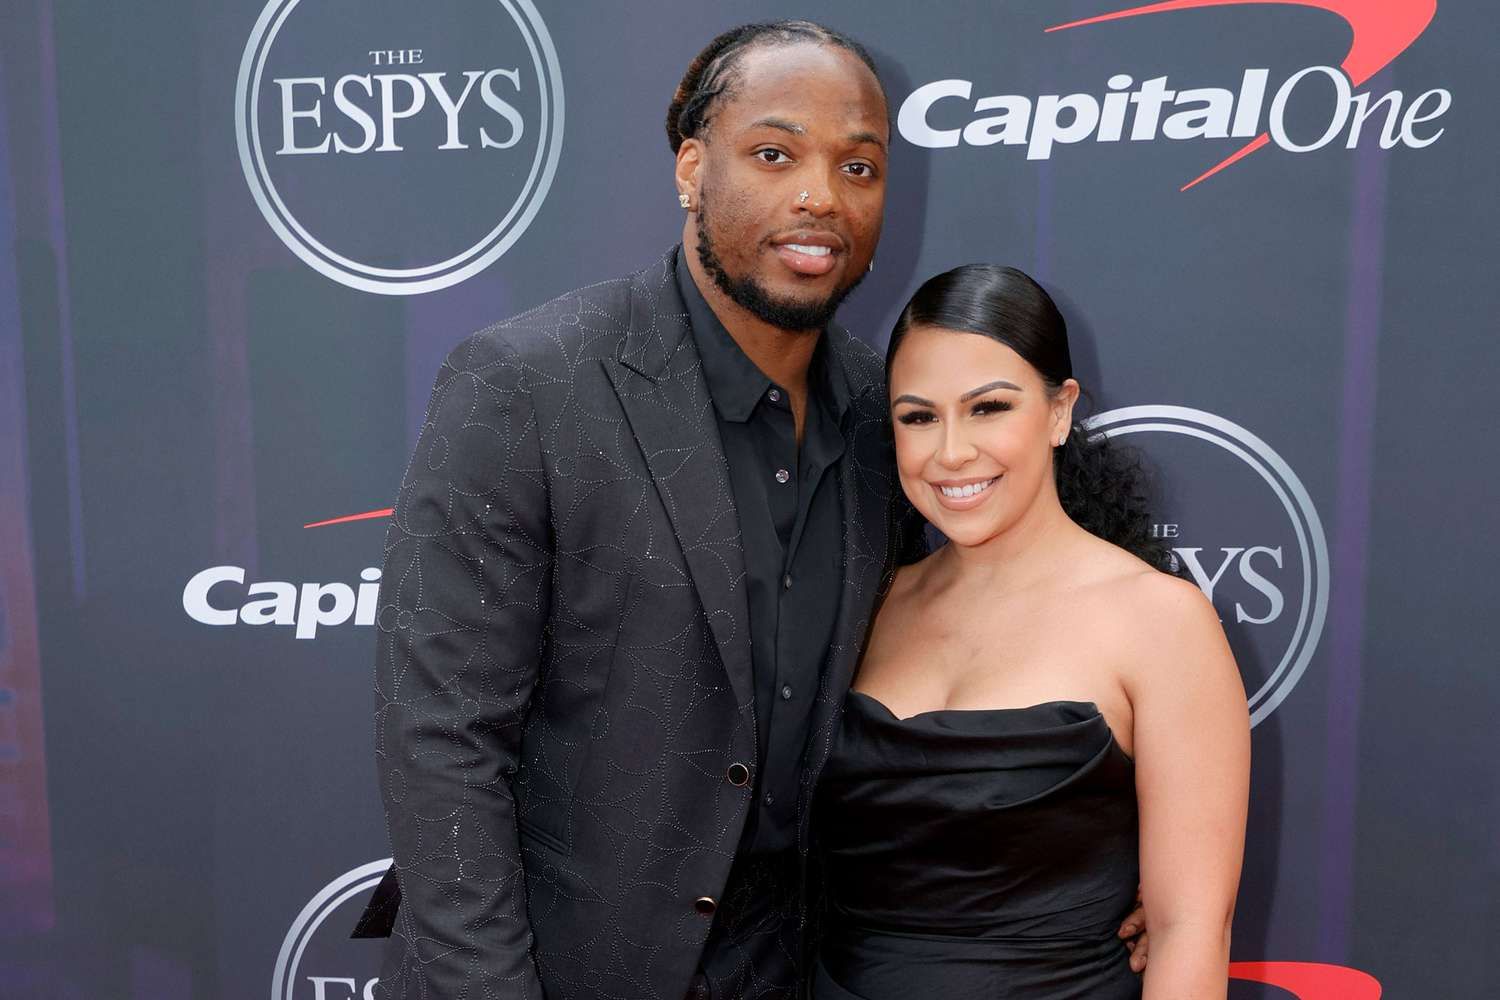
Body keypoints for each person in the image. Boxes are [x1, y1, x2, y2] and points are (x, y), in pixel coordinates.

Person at [362, 22, 1150, 1000]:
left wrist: (1115, 863)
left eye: (858, 165)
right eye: (773, 154)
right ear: (692, 169)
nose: (820, 195)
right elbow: (440, 734)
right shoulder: (529, 384)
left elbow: (1005, 635)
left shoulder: (887, 415)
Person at [811, 265, 1250, 999]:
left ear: (1058, 411)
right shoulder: (868, 600)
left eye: (988, 407)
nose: (950, 451)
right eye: (918, 417)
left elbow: (1189, 934)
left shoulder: (1161, 622)